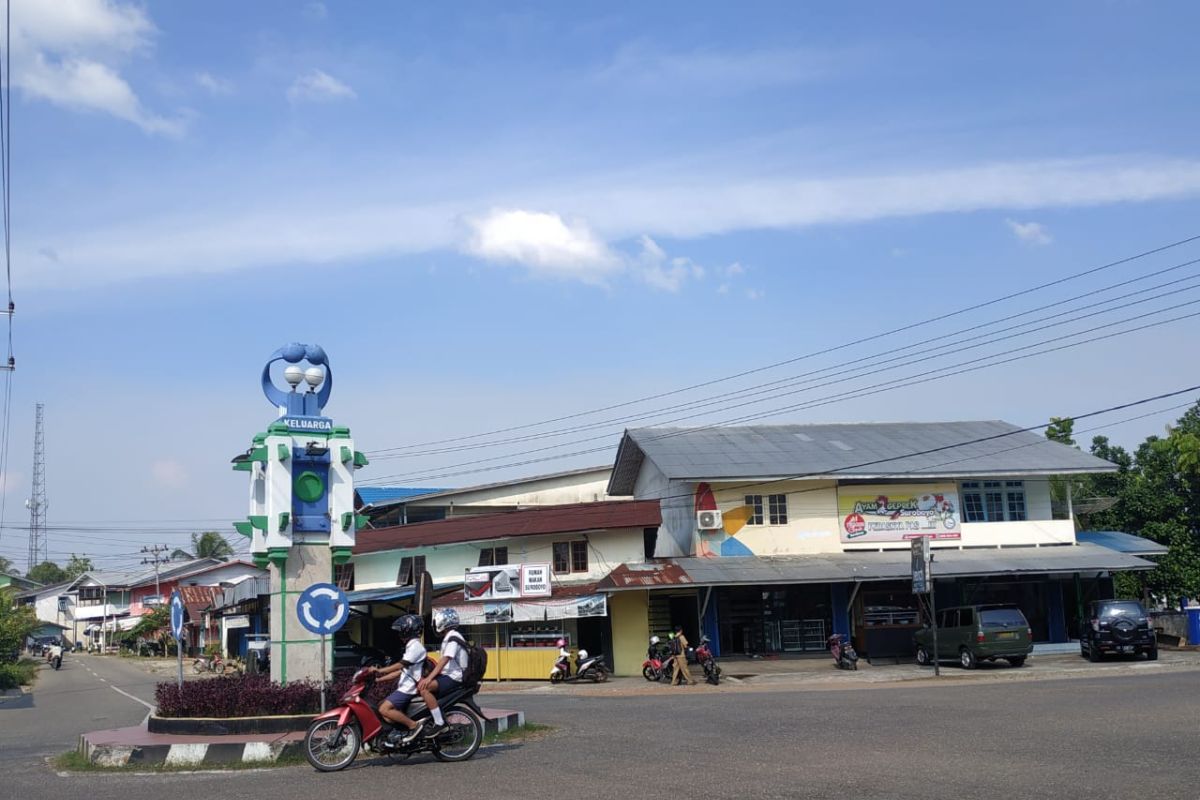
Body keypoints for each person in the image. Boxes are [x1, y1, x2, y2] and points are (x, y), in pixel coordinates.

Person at [371, 614, 429, 744]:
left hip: (408, 689)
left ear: (408, 630)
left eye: (401, 631)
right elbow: (400, 672)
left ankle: (413, 725)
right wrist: (379, 679)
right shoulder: (410, 647)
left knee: (384, 709)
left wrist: (379, 670)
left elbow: (400, 665)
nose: (399, 635)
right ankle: (400, 732)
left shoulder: (416, 647)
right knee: (381, 706)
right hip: (404, 687)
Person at [416, 608, 468, 738]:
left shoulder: (453, 637)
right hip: (449, 675)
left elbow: (445, 660)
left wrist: (429, 678)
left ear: (443, 623)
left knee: (425, 689)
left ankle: (439, 722)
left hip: (455, 677)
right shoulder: (450, 637)